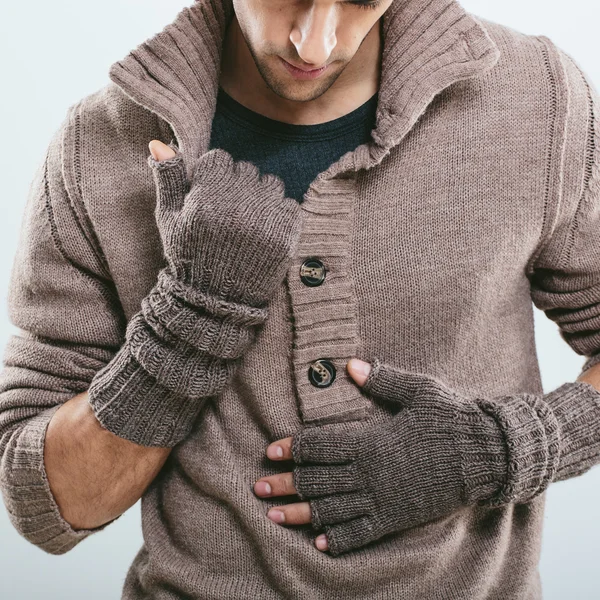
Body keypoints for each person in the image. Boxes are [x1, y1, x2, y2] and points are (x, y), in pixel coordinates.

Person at [1, 0, 600, 597]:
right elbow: (48, 503)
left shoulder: (536, 98)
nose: (313, 45)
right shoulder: (101, 145)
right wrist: (192, 319)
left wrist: (503, 448)